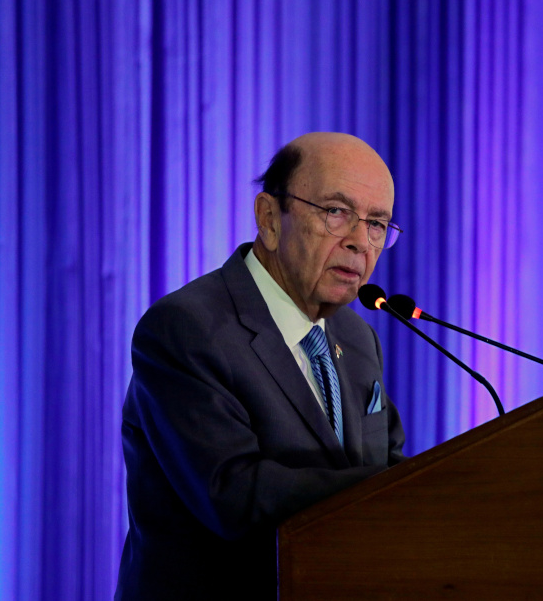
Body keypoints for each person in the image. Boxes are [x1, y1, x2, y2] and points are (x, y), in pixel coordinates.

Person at [115, 132, 406, 599]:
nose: (359, 242)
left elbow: (387, 464)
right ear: (269, 218)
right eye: (336, 212)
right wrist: (398, 488)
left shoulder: (356, 337)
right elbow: (234, 497)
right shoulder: (185, 329)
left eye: (377, 224)